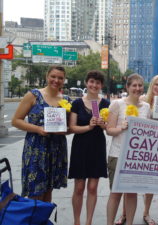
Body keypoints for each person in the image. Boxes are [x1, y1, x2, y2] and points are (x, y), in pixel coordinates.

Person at [115, 74, 158, 225]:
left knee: (151, 182)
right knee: (128, 183)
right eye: (156, 84)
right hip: (137, 147)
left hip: (154, 149)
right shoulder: (141, 101)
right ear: (152, 85)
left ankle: (146, 213)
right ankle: (124, 214)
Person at [11, 66, 70, 202]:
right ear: (47, 77)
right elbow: (16, 121)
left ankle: (43, 220)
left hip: (56, 148)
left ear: (64, 80)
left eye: (60, 78)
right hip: (36, 148)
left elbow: (69, 126)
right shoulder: (33, 95)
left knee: (48, 189)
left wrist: (65, 129)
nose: (56, 80)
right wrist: (38, 129)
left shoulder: (66, 99)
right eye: (53, 76)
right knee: (35, 190)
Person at [106, 73, 151, 225]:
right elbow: (109, 130)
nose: (137, 89)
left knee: (132, 193)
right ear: (128, 87)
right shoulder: (117, 104)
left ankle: (130, 222)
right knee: (115, 193)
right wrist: (121, 127)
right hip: (117, 154)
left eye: (140, 86)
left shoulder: (146, 107)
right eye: (134, 85)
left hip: (136, 158)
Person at [68, 70, 110, 225]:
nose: (94, 85)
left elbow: (109, 128)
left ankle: (89, 221)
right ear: (87, 82)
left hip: (97, 146)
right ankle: (77, 221)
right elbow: (72, 127)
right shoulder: (77, 103)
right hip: (80, 146)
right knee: (79, 187)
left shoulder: (105, 103)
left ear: (101, 86)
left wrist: (103, 124)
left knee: (93, 187)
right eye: (92, 81)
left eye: (97, 83)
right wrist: (88, 126)